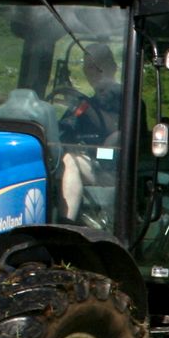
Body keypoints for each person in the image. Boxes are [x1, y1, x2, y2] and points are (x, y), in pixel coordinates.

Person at [58, 43, 124, 227]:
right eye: (88, 67)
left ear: (112, 67)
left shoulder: (130, 103)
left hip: (114, 170)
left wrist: (111, 143)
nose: (92, 72)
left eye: (97, 66)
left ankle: (65, 224)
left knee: (70, 160)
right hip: (91, 164)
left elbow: (128, 141)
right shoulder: (85, 105)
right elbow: (63, 130)